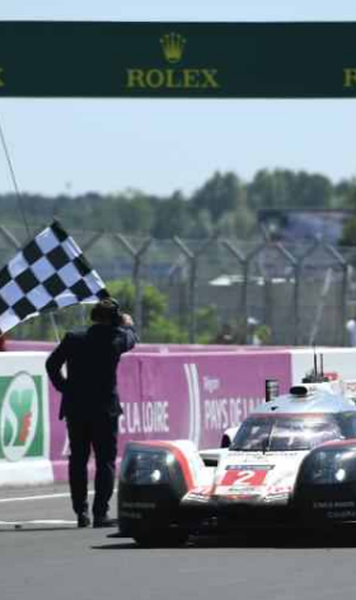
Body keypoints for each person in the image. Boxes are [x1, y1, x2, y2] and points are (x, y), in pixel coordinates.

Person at [46, 297, 138, 528]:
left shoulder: (74, 338)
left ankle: (81, 512)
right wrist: (128, 324)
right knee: (105, 461)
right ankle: (100, 513)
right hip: (105, 409)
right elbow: (131, 338)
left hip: (76, 407)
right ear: (114, 319)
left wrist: (64, 387)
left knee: (78, 459)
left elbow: (51, 364)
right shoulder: (116, 338)